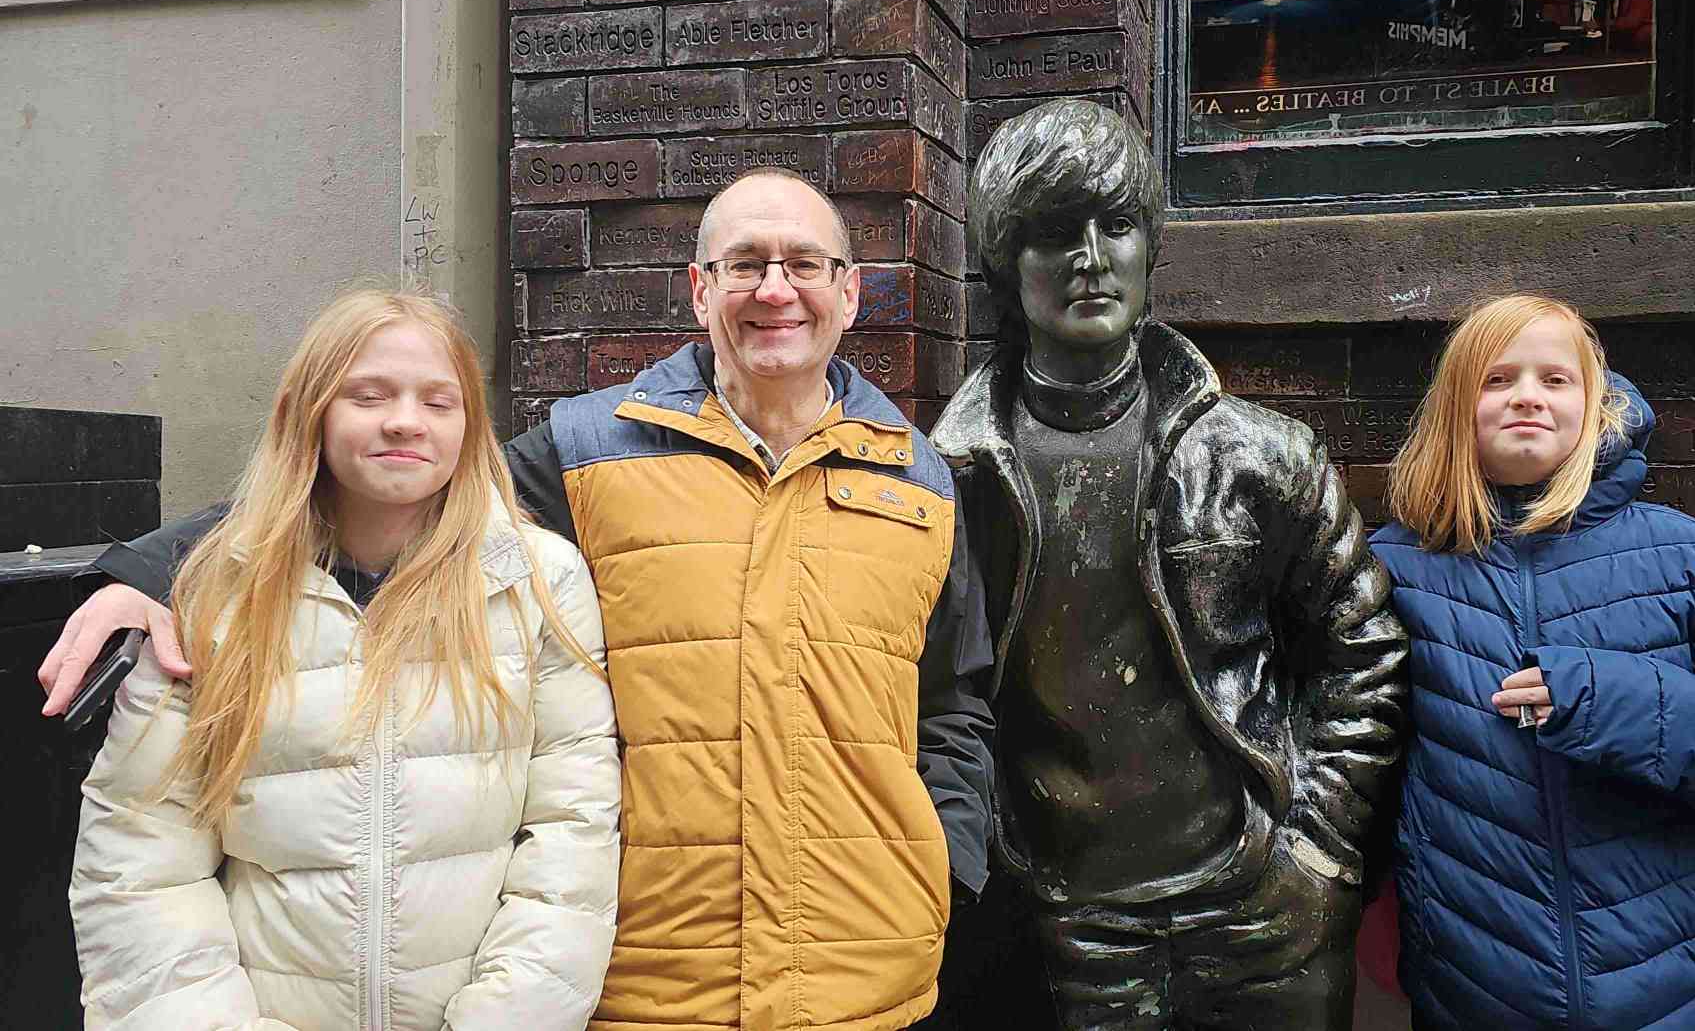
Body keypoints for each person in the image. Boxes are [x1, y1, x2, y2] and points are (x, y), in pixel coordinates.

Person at [43, 168, 996, 1031]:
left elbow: (955, 701)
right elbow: (396, 485)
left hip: (870, 973)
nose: (775, 289)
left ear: (850, 290)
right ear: (701, 291)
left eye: (804, 264)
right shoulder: (589, 451)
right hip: (656, 982)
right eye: (744, 263)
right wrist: (148, 571)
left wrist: (936, 868)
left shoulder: (919, 479)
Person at [931, 97, 1408, 1029]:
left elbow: (1367, 653)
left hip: (1261, 907)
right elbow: (933, 695)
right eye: (1054, 234)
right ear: (1005, 264)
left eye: (1117, 226)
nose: (1091, 257)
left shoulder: (1260, 457)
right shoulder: (949, 479)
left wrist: (1318, 856)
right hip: (1065, 925)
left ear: (1150, 248)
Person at [68, 289, 621, 1028]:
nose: (404, 420)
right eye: (368, 395)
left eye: (438, 401)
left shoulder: (538, 583)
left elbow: (571, 839)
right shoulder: (208, 591)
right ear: (312, 413)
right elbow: (141, 857)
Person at [1368, 293, 1695, 1029]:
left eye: (1555, 379)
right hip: (1477, 994)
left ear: (1596, 406)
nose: (1527, 396)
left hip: (1686, 997)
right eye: (1497, 380)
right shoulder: (1390, 572)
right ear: (1457, 408)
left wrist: (1616, 702)